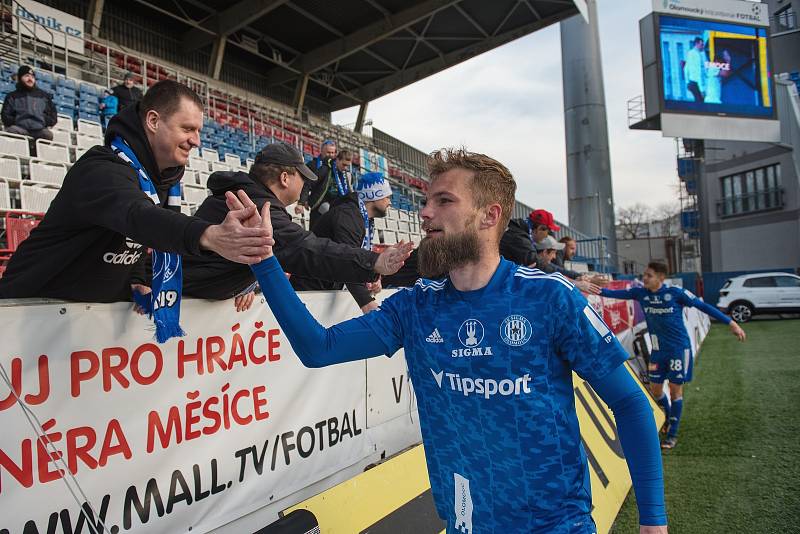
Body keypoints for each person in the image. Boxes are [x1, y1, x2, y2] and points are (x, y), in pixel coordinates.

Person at [242, 148, 668, 533]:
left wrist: (652, 519)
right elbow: (319, 348)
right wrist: (265, 261)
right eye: (426, 201)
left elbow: (630, 403)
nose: (425, 213)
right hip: (464, 522)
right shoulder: (415, 305)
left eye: (443, 201)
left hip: (553, 525)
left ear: (489, 215)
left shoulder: (549, 297)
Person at [0, 80, 272, 340]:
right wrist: (209, 235)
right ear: (154, 121)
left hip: (82, 326)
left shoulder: (162, 180)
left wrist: (138, 276)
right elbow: (137, 217)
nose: (196, 141)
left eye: (199, 131)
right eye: (188, 129)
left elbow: (138, 241)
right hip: (27, 315)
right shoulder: (100, 169)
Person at [182, 143, 408, 311]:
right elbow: (304, 249)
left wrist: (246, 285)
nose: (307, 184)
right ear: (284, 178)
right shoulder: (256, 207)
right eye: (303, 177)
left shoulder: (250, 198)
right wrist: (373, 261)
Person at [600, 261, 746, 449]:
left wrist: (731, 323)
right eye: (644, 274)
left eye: (649, 275)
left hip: (678, 350)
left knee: (676, 390)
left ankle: (672, 434)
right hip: (658, 351)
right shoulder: (640, 293)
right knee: (656, 390)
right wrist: (583, 286)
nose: (644, 278)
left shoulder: (675, 294)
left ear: (661, 278)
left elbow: (704, 308)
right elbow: (610, 293)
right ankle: (669, 417)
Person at [291, 171, 392, 314]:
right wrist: (366, 302)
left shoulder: (363, 219)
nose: (390, 202)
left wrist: (372, 276)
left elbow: (357, 255)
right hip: (309, 289)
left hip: (323, 288)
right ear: (373, 196)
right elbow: (347, 260)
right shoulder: (348, 216)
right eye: (387, 197)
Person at [500, 210, 602, 294]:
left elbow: (545, 267)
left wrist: (576, 277)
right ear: (540, 228)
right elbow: (539, 266)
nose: (547, 235)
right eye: (548, 231)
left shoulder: (518, 232)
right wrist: (574, 282)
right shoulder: (518, 237)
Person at [301, 140, 353, 227]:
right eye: (328, 152)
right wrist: (303, 200)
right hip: (319, 203)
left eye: (333, 153)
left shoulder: (345, 174)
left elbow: (349, 192)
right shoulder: (318, 167)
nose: (331, 155)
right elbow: (306, 183)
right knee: (328, 210)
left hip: (335, 204)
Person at [1, 65, 57, 141]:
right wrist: (18, 120)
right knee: (11, 130)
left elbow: (53, 117)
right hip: (20, 128)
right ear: (20, 78)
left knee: (47, 134)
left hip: (39, 130)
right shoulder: (12, 96)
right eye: (27, 76)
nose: (30, 79)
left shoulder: (44, 96)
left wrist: (43, 121)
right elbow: (5, 116)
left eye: (32, 77)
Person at [684, 37, 706, 102]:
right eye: (701, 44)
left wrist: (687, 82)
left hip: (691, 82)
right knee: (701, 102)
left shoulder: (690, 53)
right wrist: (702, 90)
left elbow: (686, 68)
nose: (703, 46)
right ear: (696, 44)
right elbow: (698, 72)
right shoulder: (696, 55)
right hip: (696, 83)